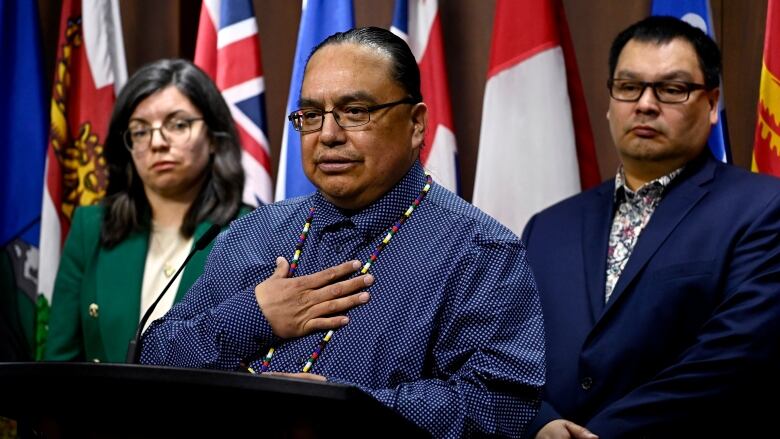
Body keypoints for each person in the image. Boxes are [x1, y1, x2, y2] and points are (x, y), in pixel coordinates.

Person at [140, 27, 546, 437]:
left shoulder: (481, 251)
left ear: (417, 124)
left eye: (355, 112)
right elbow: (153, 360)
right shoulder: (253, 233)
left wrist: (340, 409)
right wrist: (253, 316)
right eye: (312, 116)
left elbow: (498, 405)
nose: (328, 135)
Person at [522, 16, 780, 439]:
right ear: (610, 100)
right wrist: (540, 420)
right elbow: (510, 344)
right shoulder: (548, 226)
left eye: (672, 89)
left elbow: (735, 355)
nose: (645, 104)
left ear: (712, 103)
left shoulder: (763, 209)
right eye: (628, 87)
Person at [44, 59, 247, 363]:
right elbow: (59, 365)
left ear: (214, 137)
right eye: (140, 131)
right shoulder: (92, 228)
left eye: (178, 125)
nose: (156, 142)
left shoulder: (250, 230)